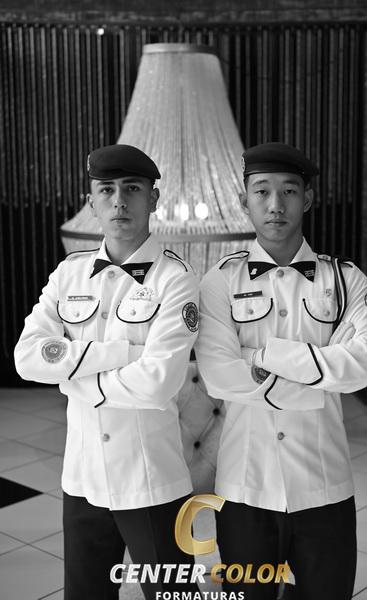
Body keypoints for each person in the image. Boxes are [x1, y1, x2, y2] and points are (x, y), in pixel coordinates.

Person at [196, 142, 367, 600]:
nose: (275, 205)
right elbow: (220, 376)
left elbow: (364, 364)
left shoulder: (345, 279)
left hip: (323, 485)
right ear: (244, 201)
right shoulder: (219, 280)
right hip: (245, 488)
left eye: (289, 191)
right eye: (261, 191)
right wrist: (320, 375)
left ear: (308, 199)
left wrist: (262, 356)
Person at [14, 144, 200, 600]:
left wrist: (71, 376)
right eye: (107, 190)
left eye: (132, 189)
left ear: (153, 199)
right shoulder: (69, 274)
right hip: (83, 478)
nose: (119, 201)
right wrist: (122, 353)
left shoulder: (176, 279)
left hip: (151, 480)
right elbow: (26, 357)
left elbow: (158, 383)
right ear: (92, 201)